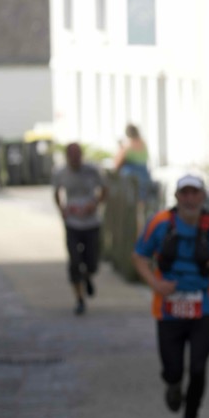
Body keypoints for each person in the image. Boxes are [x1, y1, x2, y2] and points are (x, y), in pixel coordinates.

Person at [132, 174, 209, 418]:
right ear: (177, 197)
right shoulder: (160, 223)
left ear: (203, 196)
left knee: (198, 368)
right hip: (168, 310)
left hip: (202, 309)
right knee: (173, 370)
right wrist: (155, 284)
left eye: (195, 193)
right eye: (185, 193)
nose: (190, 199)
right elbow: (139, 256)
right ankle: (172, 384)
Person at [51, 142, 107, 315]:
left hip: (91, 223)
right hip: (73, 223)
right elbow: (56, 192)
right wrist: (62, 210)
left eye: (78, 155)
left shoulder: (92, 170)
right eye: (72, 156)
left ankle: (87, 276)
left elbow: (104, 189)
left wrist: (95, 203)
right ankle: (79, 299)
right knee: (75, 261)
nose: (75, 159)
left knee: (92, 261)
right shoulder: (60, 173)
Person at [113, 123, 152, 198]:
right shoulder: (144, 143)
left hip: (132, 181)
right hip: (145, 177)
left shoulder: (128, 145)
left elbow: (117, 164)